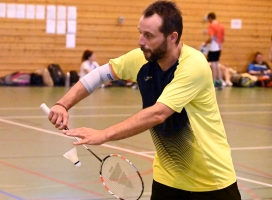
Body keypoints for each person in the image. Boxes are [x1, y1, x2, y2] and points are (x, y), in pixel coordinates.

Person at [48, 1, 241, 199]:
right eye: (140, 32)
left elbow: (158, 113)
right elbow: (98, 75)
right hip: (167, 180)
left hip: (212, 183)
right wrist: (63, 104)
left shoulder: (194, 65)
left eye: (149, 36)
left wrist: (104, 134)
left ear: (172, 37)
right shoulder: (141, 58)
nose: (141, 41)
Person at [203, 12, 225, 90]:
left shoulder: (211, 25)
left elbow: (211, 38)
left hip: (213, 47)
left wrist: (205, 43)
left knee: (213, 65)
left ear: (210, 18)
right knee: (216, 64)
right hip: (219, 47)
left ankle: (214, 82)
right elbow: (223, 39)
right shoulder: (221, 26)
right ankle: (220, 82)